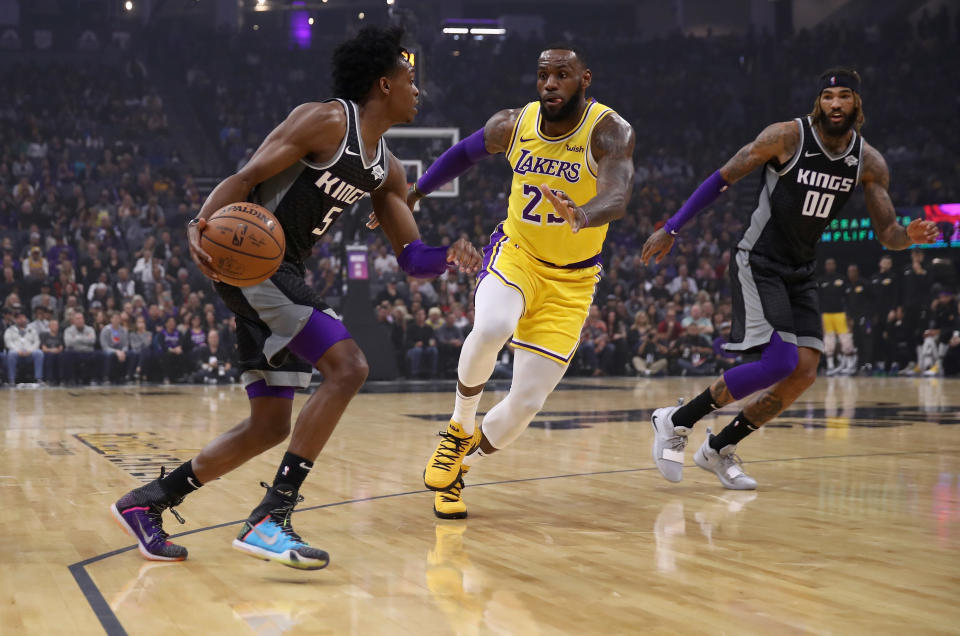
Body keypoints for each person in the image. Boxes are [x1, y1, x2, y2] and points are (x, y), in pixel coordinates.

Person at [111, 26, 481, 568]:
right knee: (349, 367)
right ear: (383, 83)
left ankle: (149, 502)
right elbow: (247, 175)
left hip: (279, 271)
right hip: (252, 264)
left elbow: (411, 258)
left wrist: (451, 255)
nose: (417, 89)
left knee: (269, 426)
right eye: (410, 77)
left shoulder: (387, 169)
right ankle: (270, 517)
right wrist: (200, 221)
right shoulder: (328, 120)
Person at [641, 68, 939, 490]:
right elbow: (722, 178)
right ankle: (675, 419)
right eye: (829, 96)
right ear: (818, 103)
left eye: (845, 96)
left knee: (804, 372)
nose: (836, 104)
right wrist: (671, 227)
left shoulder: (868, 163)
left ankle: (719, 449)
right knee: (779, 361)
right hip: (758, 259)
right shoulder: (786, 137)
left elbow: (888, 234)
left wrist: (909, 235)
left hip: (801, 270)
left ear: (857, 104)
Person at [408, 43, 635, 518]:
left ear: (585, 79)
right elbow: (460, 155)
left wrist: (583, 214)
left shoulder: (609, 131)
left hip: (573, 281)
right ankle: (457, 428)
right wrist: (418, 191)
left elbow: (617, 194)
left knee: (526, 404)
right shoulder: (513, 124)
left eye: (562, 75)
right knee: (491, 327)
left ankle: (461, 469)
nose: (550, 83)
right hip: (518, 254)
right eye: (543, 75)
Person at [817, 257, 854, 375]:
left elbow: (847, 298)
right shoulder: (821, 281)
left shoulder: (841, 279)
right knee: (829, 340)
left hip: (840, 314)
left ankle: (849, 366)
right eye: (828, 264)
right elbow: (818, 300)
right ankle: (831, 366)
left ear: (835, 265)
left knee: (845, 339)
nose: (830, 266)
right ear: (825, 266)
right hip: (826, 315)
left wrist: (848, 314)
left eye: (832, 264)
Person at [4, 310, 43, 384]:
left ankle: (38, 378)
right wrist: (17, 350)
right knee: (11, 353)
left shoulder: (32, 330)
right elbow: (8, 342)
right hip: (16, 353)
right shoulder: (10, 330)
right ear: (15, 320)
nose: (21, 319)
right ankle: (11, 380)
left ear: (26, 319)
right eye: (19, 318)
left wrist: (30, 350)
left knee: (39, 353)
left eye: (23, 317)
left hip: (30, 353)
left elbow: (37, 342)